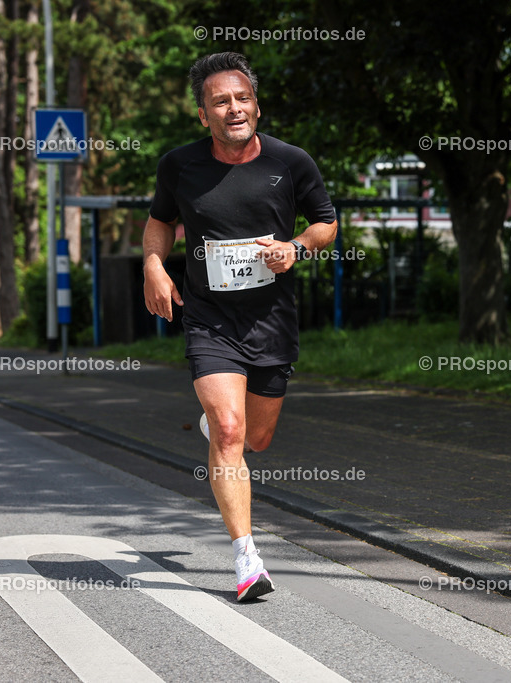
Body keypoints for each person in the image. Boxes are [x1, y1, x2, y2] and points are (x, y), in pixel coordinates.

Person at [142, 52, 337, 602]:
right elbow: (160, 222)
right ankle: (247, 559)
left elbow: (326, 223)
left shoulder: (290, 161)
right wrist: (154, 266)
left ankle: (217, 430)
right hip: (209, 319)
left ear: (256, 104)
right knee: (229, 432)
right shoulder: (179, 166)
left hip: (272, 320)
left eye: (241, 98)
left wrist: (294, 248)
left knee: (256, 438)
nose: (233, 109)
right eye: (219, 101)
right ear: (202, 114)